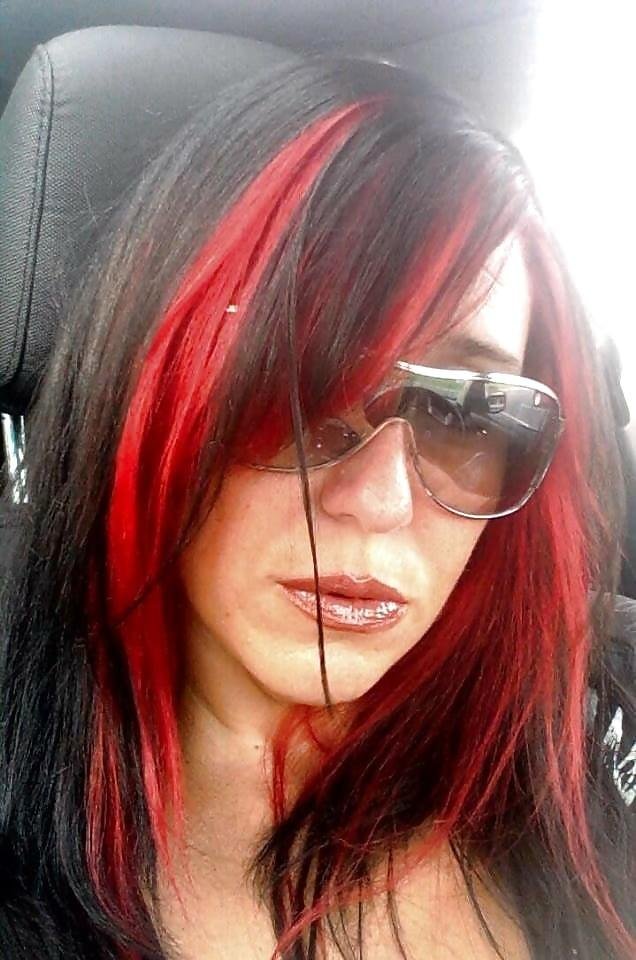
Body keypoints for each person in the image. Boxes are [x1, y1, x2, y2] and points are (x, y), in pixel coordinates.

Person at [0, 54, 633, 960]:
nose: (379, 504)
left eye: (467, 414)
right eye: (296, 386)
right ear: (151, 385)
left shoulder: (597, 725)